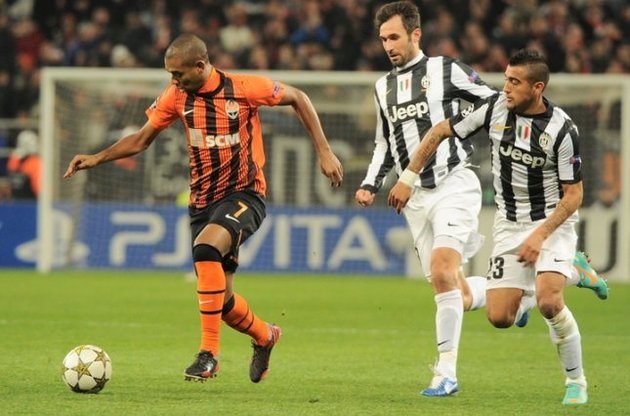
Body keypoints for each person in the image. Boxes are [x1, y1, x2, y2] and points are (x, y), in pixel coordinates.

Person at [64, 33, 344, 383]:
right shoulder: (176, 96)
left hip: (245, 195)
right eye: (170, 74)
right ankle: (266, 335)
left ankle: (208, 354)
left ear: (200, 66)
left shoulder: (244, 88)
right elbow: (141, 139)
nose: (173, 80)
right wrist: (97, 157)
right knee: (222, 302)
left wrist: (324, 151)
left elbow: (298, 97)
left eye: (178, 74)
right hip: (202, 204)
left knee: (206, 248)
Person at [388, 49, 608, 405]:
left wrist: (540, 235)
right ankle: (573, 271)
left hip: (551, 222)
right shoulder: (494, 109)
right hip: (509, 224)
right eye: (506, 79)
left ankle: (576, 381)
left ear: (537, 88)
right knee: (500, 317)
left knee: (550, 302)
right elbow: (441, 130)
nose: (505, 88)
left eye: (514, 82)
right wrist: (409, 177)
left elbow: (574, 195)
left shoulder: (562, 129)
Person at [355, 1, 498, 397]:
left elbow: (493, 101)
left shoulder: (445, 69)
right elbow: (384, 143)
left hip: (454, 183)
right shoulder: (382, 87)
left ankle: (446, 374)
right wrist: (370, 183)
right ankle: (521, 293)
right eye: (383, 39)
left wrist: (456, 127)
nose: (388, 46)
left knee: (442, 268)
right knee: (453, 289)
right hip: (414, 199)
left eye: (395, 37)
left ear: (415, 34)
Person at [7, 129, 41, 199]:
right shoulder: (35, 162)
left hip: (16, 200)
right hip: (31, 201)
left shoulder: (13, 159)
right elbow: (38, 189)